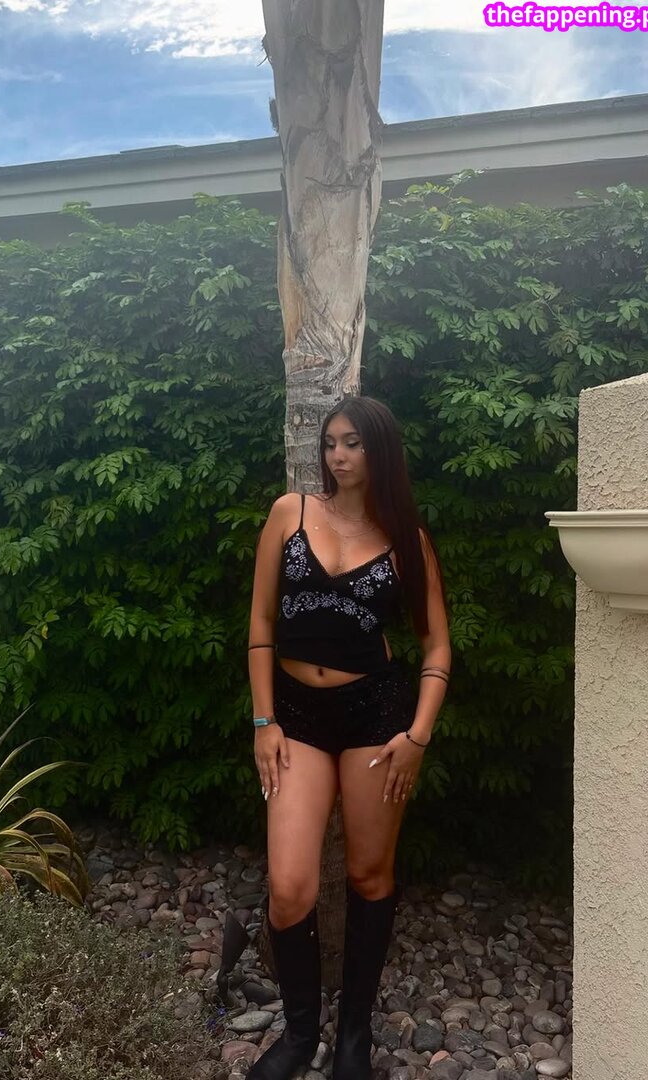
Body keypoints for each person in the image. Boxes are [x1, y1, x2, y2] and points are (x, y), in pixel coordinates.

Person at [246, 396, 450, 1080]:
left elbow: (436, 646)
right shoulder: (290, 513)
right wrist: (264, 722)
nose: (338, 455)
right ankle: (300, 1034)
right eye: (331, 442)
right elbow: (261, 626)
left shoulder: (407, 540)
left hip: (374, 717)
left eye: (353, 443)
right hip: (296, 717)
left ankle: (354, 1037)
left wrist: (417, 735)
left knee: (368, 874)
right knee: (289, 887)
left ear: (378, 450)